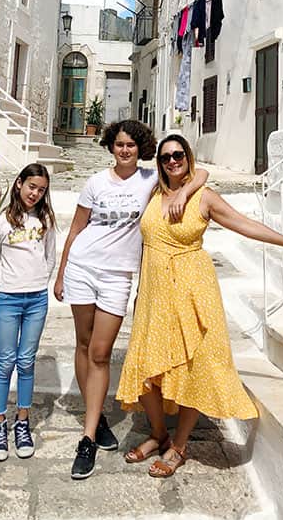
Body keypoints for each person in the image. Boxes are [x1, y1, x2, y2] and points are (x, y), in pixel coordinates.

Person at [116, 133, 283, 478]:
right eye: (166, 157)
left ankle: (179, 446)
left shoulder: (204, 197)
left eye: (179, 155)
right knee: (145, 368)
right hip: (155, 293)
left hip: (193, 291)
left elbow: (245, 225)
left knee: (194, 368)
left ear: (188, 158)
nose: (172, 161)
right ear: (160, 161)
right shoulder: (153, 192)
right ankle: (158, 434)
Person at [53, 119, 208, 480]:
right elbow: (77, 229)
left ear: (141, 149)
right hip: (82, 267)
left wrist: (184, 193)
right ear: (111, 146)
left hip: (117, 276)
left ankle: (92, 422)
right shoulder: (96, 183)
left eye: (131, 146)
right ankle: (92, 430)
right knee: (83, 344)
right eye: (119, 145)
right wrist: (61, 272)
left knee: (101, 353)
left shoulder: (149, 181)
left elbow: (200, 174)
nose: (125, 151)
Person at [0, 162, 56, 462]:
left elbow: (51, 256)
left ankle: (22, 421)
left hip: (36, 298)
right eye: (31, 187)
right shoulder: (1, 223)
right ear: (19, 184)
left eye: (41, 190)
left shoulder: (45, 221)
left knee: (26, 361)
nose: (35, 194)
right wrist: (1, 288)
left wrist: (40, 280)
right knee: (6, 361)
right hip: (8, 300)